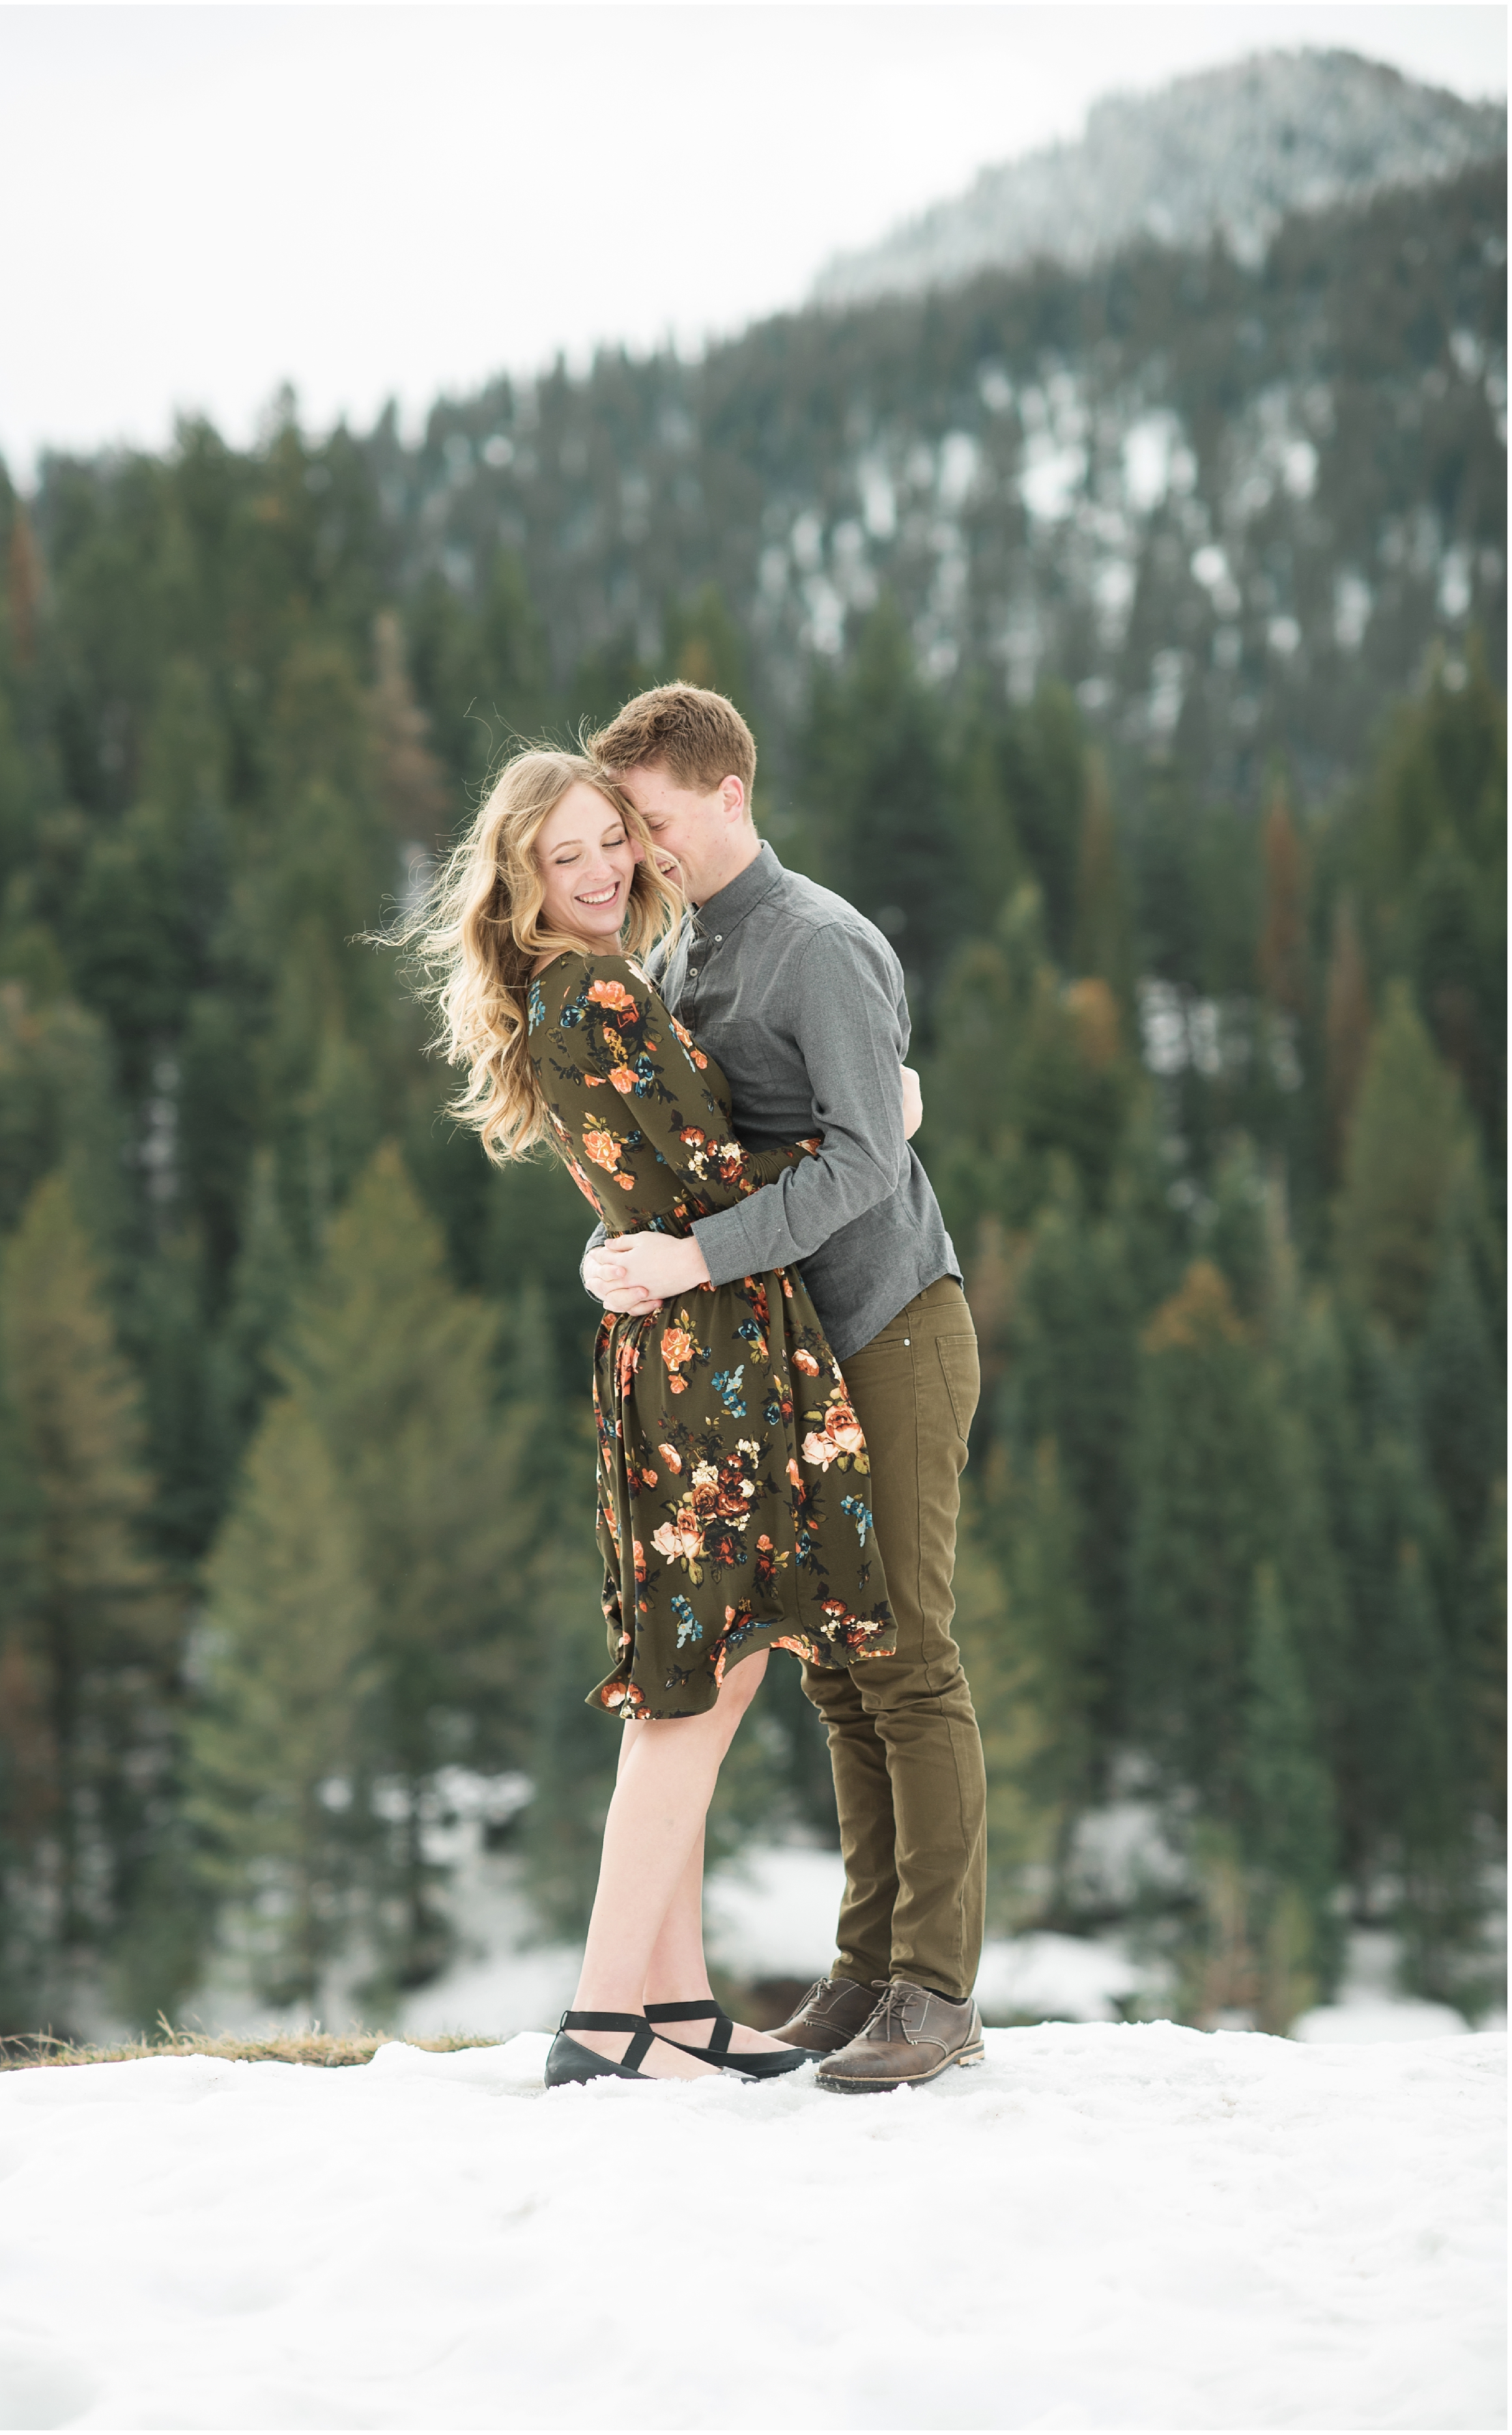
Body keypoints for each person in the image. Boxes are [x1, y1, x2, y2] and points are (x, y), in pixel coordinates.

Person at [412, 747, 909, 2088]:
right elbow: (699, 1179)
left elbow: (653, 1187)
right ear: (518, 877)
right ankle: (597, 2018)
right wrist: (883, 1114)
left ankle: (676, 2009)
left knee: (713, 1660)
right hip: (706, 1351)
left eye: (607, 841)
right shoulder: (595, 995)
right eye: (560, 855)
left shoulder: (589, 987)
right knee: (701, 1682)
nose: (595, 870)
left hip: (693, 1343)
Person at [581, 683, 986, 2095]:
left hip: (889, 1326)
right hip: (792, 1354)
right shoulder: (692, 947)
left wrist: (689, 1261)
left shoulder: (815, 943)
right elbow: (698, 1150)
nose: (637, 851)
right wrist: (630, 1245)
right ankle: (867, 1971)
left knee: (907, 1656)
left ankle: (934, 1993)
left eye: (653, 820)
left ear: (727, 792)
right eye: (624, 827)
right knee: (836, 1665)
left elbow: (865, 1162)